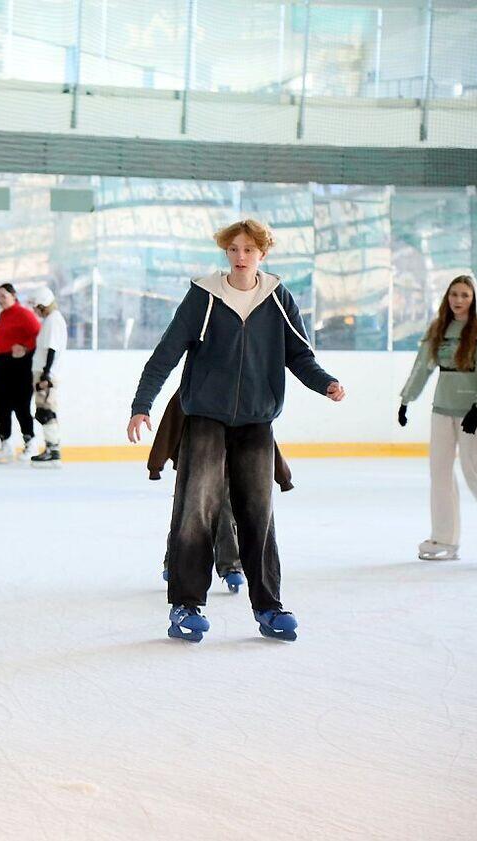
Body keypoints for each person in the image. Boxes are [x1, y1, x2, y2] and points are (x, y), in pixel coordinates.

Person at [128, 218, 344, 643]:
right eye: (233, 249)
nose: (240, 257)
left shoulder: (277, 298)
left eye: (248, 250)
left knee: (258, 514)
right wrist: (142, 406)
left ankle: (269, 607)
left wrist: (325, 383)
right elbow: (166, 353)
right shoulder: (203, 296)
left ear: (263, 253)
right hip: (205, 418)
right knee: (195, 510)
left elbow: (300, 355)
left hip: (256, 422)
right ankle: (186, 606)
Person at [149, 390, 295, 592]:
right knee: (190, 517)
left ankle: (231, 565)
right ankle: (175, 563)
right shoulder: (190, 390)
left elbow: (263, 437)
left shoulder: (242, 391)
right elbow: (169, 426)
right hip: (197, 466)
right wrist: (156, 464)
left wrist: (282, 475)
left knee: (227, 514)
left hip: (231, 466)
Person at [398, 274, 477, 561]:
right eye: (454, 294)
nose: (458, 300)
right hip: (442, 411)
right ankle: (445, 538)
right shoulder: (439, 328)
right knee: (440, 473)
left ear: (474, 299)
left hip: (472, 414)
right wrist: (406, 399)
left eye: (465, 295)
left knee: (475, 473)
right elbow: (422, 366)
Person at [0, 283, 41, 463]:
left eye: (4, 295)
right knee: (1, 404)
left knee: (21, 404)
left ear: (14, 295)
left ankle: (30, 442)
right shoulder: (3, 315)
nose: (0, 299)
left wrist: (25, 347)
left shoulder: (24, 313)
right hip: (0, 363)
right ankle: (6, 444)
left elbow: (38, 334)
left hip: (18, 365)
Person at [29, 287, 67, 467]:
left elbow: (51, 348)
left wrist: (45, 373)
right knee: (44, 410)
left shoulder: (53, 320)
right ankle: (52, 449)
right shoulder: (52, 320)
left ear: (43, 305)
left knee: (46, 411)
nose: (35, 311)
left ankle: (53, 451)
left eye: (37, 307)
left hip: (47, 374)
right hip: (47, 372)